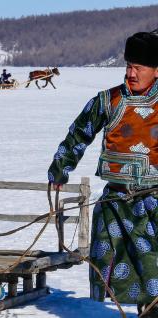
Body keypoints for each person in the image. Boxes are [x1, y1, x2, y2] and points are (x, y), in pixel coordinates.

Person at [48, 31, 158, 316]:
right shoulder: (107, 101)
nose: (131, 74)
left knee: (153, 270)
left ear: (156, 71)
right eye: (128, 66)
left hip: (154, 205)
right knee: (118, 273)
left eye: (139, 68)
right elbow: (78, 135)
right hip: (115, 205)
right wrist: (60, 169)